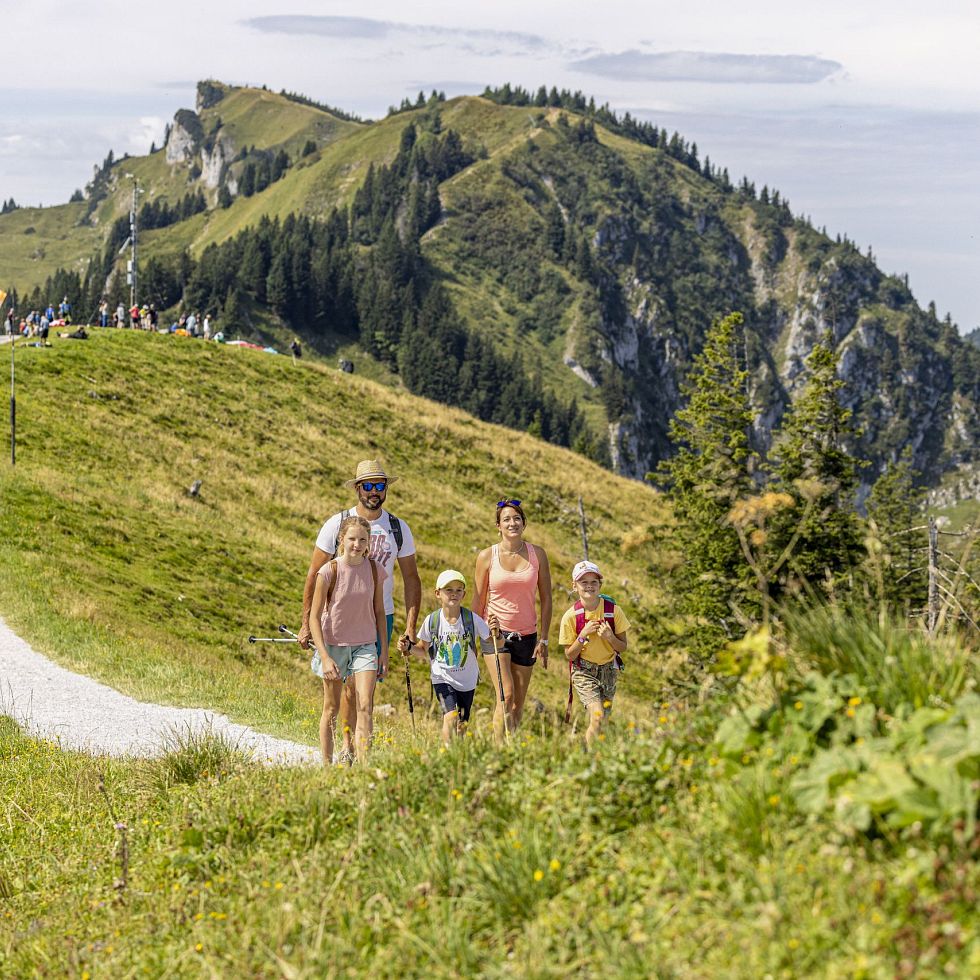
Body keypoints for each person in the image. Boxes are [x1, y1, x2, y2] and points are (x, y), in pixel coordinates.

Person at [300, 460, 421, 763]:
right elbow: (315, 574)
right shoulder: (337, 524)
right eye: (368, 485)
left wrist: (410, 627)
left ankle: (357, 751)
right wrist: (305, 623)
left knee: (365, 690)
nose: (374, 492)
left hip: (380, 615)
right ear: (357, 488)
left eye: (380, 486)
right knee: (347, 690)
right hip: (339, 620)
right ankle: (345, 745)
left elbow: (411, 579)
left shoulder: (398, 528)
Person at [308, 514, 388, 764]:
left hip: (365, 645)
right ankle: (326, 765)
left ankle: (364, 765)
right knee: (331, 708)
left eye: (363, 540)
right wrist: (324, 657)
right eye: (352, 539)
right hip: (334, 645)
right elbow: (314, 618)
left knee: (365, 704)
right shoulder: (328, 571)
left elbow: (379, 612)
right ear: (342, 539)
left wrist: (383, 651)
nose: (357, 544)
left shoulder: (375, 570)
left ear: (369, 542)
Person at [474, 499, 552, 739]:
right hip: (495, 634)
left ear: (524, 523)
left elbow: (547, 598)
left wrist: (545, 639)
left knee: (517, 703)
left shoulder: (537, 554)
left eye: (516, 518)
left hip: (527, 636)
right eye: (506, 519)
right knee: (505, 695)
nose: (512, 523)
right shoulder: (487, 556)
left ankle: (511, 752)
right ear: (498, 525)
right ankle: (496, 752)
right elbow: (478, 601)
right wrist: (473, 638)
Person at [399, 570, 497, 744]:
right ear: (438, 593)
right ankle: (445, 752)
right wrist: (409, 647)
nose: (454, 593)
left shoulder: (472, 619)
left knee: (461, 724)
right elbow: (423, 649)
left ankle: (457, 756)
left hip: (467, 680)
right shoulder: (432, 620)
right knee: (450, 716)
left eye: (459, 590)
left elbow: (494, 642)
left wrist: (499, 634)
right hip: (442, 677)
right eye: (448, 589)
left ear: (464, 594)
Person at [558, 560, 630, 745]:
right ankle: (587, 758)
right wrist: (582, 635)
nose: (589, 586)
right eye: (584, 582)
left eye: (594, 582)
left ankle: (594, 756)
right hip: (584, 671)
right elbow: (569, 655)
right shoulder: (571, 616)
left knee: (603, 722)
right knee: (597, 717)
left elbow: (622, 646)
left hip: (608, 670)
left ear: (600, 585)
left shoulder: (613, 611)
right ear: (574, 586)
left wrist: (610, 637)